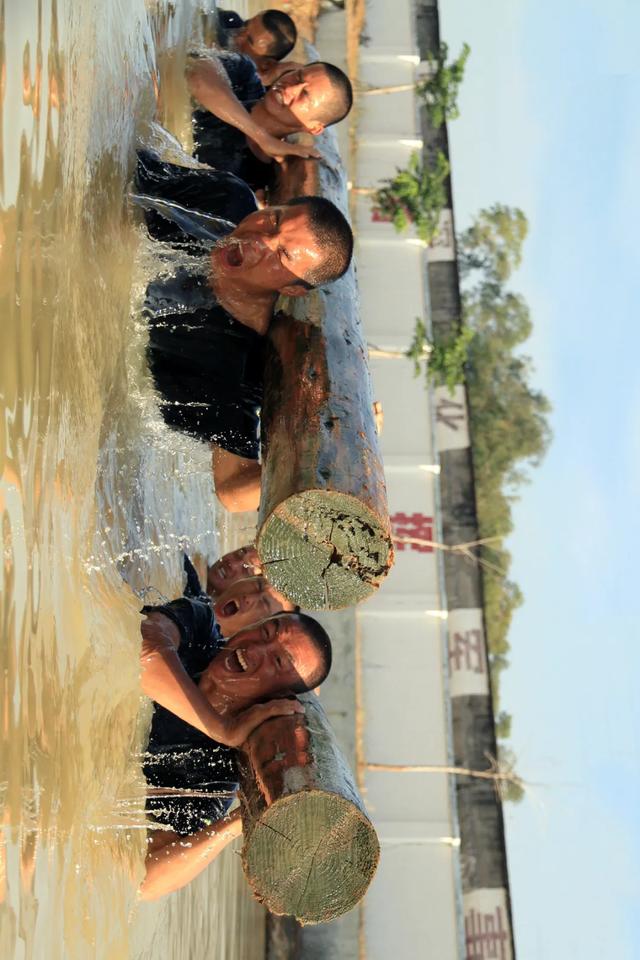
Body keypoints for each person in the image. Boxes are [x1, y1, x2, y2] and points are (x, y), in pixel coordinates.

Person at [136, 148, 353, 511]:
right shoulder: (226, 199)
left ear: (292, 288)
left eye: (282, 255)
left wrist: (320, 471)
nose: (259, 240)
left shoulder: (232, 364)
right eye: (273, 221)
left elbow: (232, 490)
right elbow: (127, 173)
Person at [137, 583, 332, 900]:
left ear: (276, 697)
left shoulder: (213, 773)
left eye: (278, 662)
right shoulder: (199, 627)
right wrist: (219, 727)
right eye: (267, 632)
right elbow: (142, 652)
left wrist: (238, 821)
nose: (257, 649)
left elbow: (145, 881)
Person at [187, 50, 353, 193]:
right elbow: (195, 70)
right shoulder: (244, 76)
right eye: (297, 77)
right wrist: (261, 137)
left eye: (304, 95)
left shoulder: (251, 177)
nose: (290, 88)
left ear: (314, 128)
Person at [215, 8, 297, 63]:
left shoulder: (247, 84)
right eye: (245, 25)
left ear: (266, 65)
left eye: (249, 41)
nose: (239, 37)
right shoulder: (228, 21)